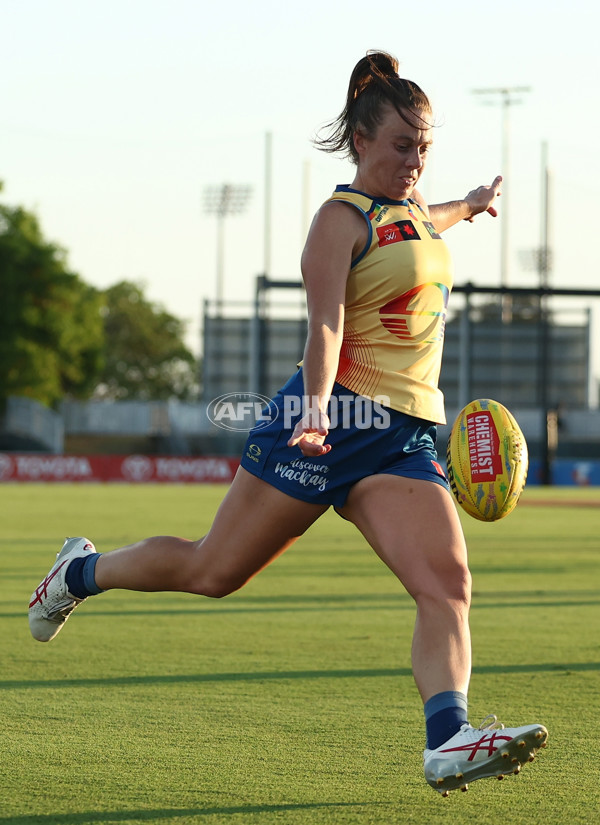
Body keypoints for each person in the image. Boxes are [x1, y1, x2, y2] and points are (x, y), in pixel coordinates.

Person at [28, 51, 547, 796]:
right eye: (402, 144)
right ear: (363, 140)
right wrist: (309, 408)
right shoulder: (338, 223)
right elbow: (326, 327)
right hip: (326, 419)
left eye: (424, 145)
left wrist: (470, 201)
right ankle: (76, 574)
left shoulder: (413, 213)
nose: (414, 159)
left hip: (399, 439)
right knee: (213, 571)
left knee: (448, 582)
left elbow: (432, 223)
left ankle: (447, 739)